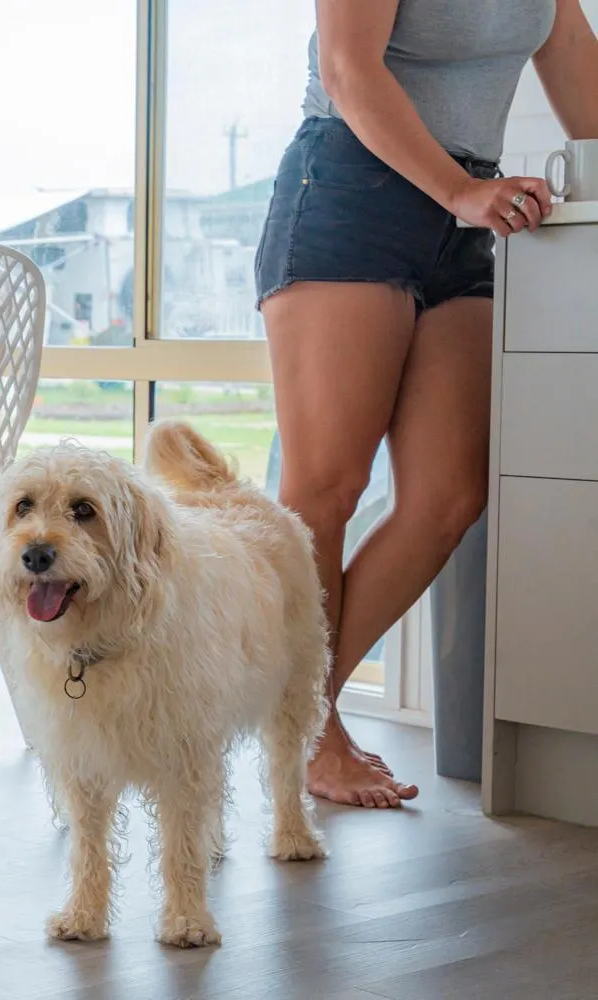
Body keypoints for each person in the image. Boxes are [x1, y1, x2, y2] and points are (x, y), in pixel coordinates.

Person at [254, 0, 598, 808]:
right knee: (325, 490)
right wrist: (458, 191)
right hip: (351, 190)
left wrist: (465, 196)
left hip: (465, 211)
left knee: (448, 496)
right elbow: (347, 70)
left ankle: (291, 709)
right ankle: (310, 731)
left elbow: (588, 97)